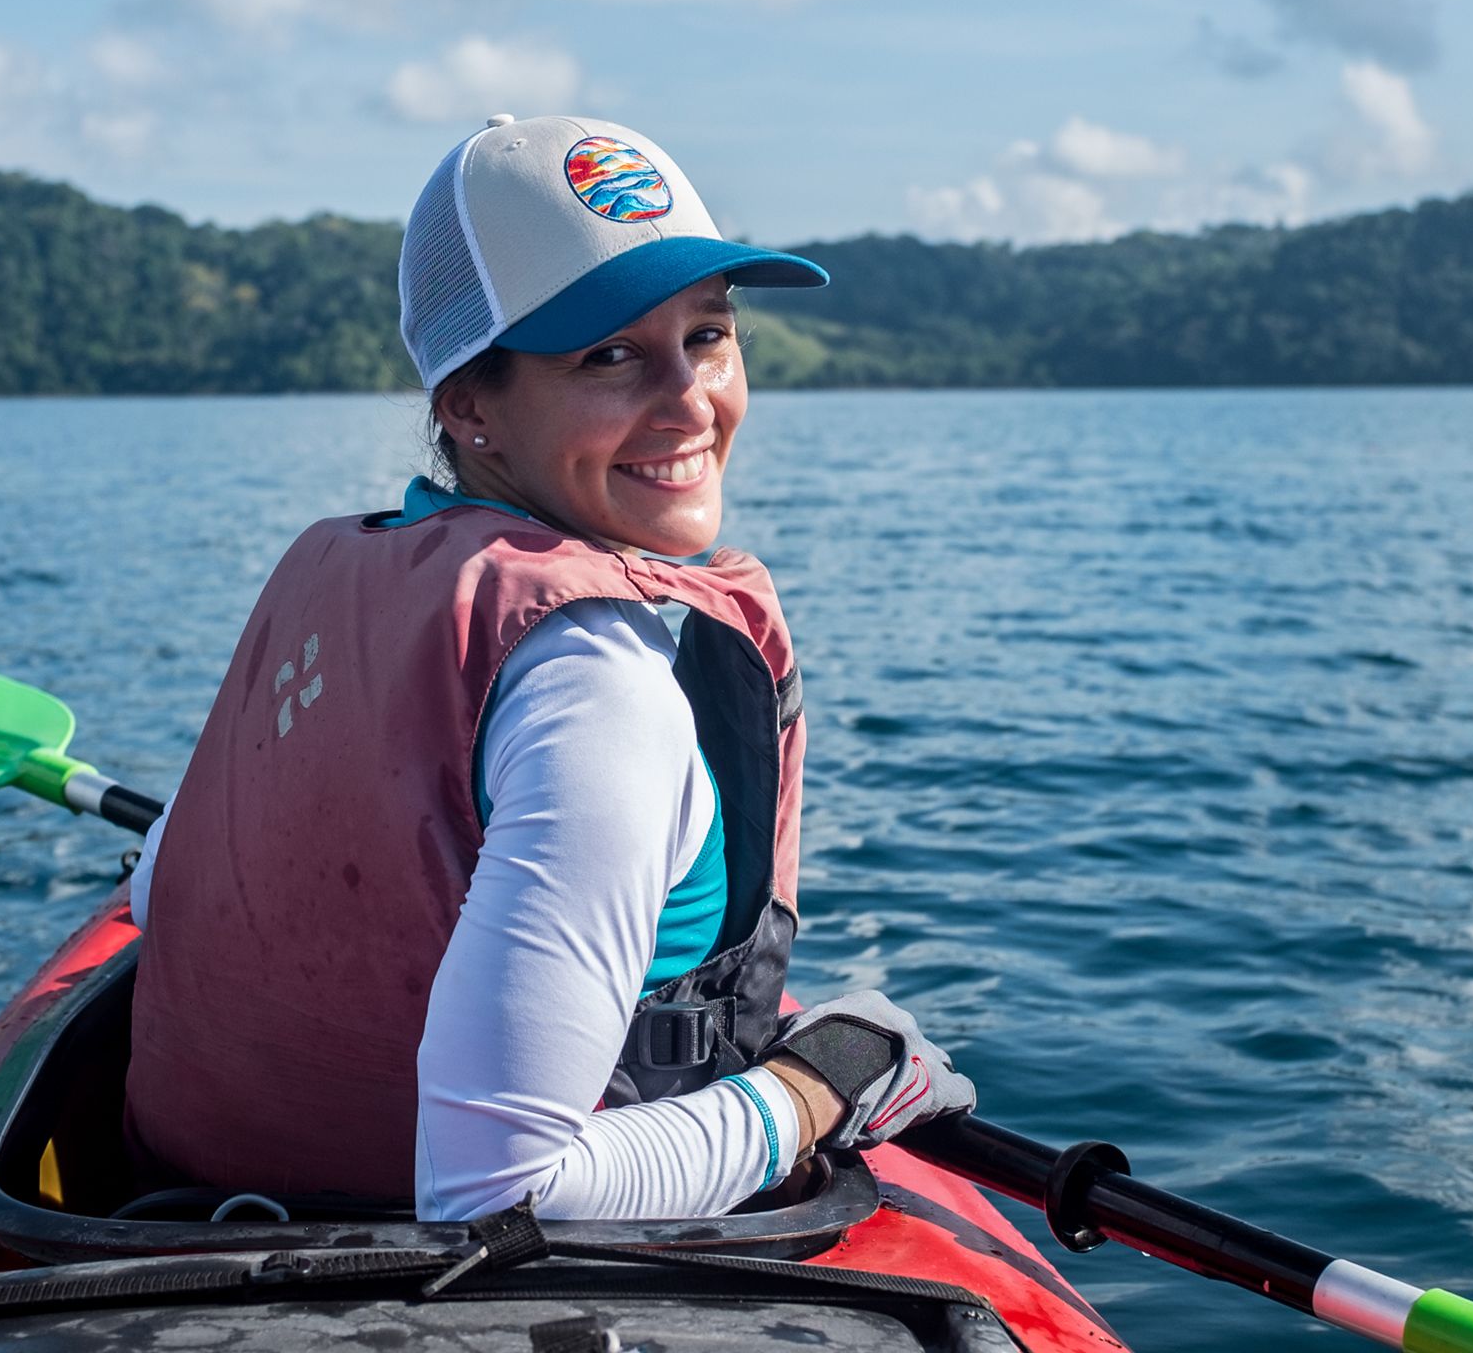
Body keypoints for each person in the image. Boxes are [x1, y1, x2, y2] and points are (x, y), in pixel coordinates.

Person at [119, 114, 975, 1220]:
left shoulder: (353, 576)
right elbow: (499, 1194)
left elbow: (166, 882)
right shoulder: (599, 689)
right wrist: (828, 1082)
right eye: (608, 355)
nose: (689, 401)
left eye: (707, 336)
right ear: (468, 405)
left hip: (156, 1212)